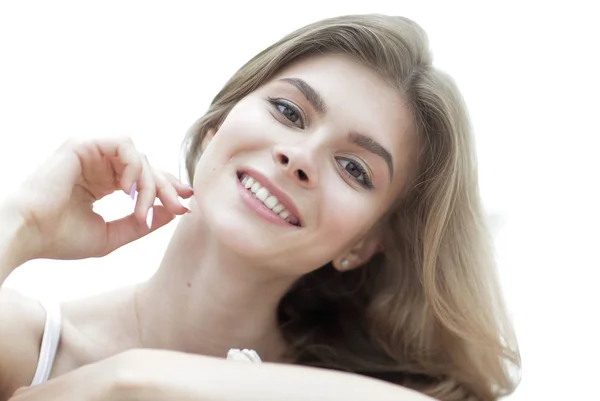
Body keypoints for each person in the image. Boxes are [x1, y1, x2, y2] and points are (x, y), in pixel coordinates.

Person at [0, 13, 520, 401]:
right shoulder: (30, 347)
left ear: (362, 245)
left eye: (355, 169)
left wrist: (131, 379)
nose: (300, 157)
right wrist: (21, 223)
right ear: (216, 125)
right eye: (289, 111)